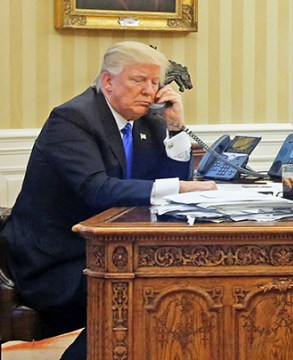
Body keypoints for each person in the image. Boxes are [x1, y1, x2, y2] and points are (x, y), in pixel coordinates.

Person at [0, 41, 217, 359]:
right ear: (108, 81)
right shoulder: (72, 120)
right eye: (138, 80)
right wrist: (181, 188)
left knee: (170, 288)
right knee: (136, 292)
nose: (149, 90)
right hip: (54, 260)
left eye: (155, 82)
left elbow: (164, 180)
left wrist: (176, 127)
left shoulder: (148, 123)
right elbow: (96, 189)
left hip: (109, 253)